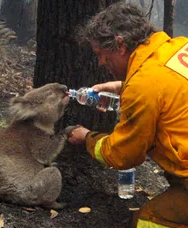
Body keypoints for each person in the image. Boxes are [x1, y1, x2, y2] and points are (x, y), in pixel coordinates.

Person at [68, 2, 188, 228]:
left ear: (120, 45)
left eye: (101, 54)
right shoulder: (178, 47)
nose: (101, 62)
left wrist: (86, 137)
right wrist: (122, 86)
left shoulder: (143, 86)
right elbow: (168, 87)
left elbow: (124, 155)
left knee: (147, 222)